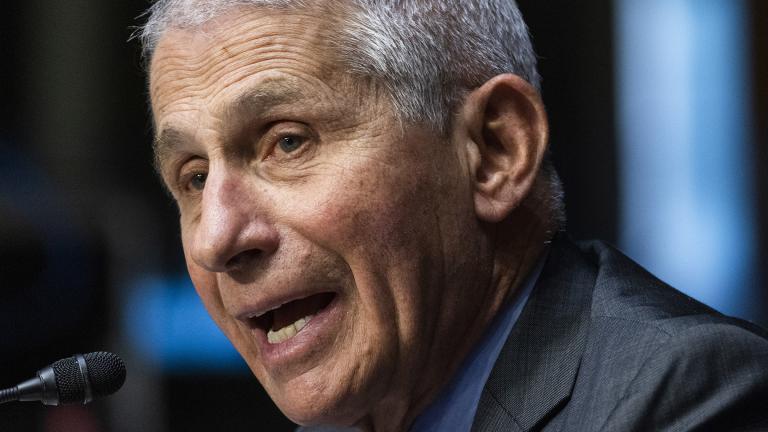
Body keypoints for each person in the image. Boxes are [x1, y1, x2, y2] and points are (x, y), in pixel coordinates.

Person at [139, 1, 768, 430]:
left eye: (288, 142)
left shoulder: (688, 397)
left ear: (496, 150)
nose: (218, 238)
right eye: (193, 178)